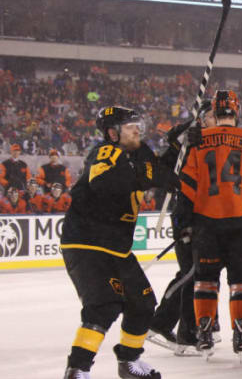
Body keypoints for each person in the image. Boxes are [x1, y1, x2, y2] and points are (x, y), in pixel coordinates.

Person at [60, 105, 180, 379]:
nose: (137, 130)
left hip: (116, 246)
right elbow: (103, 182)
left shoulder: (139, 153)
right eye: (130, 126)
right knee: (104, 306)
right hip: (87, 242)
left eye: (138, 125)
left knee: (143, 303)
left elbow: (159, 168)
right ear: (113, 133)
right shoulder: (107, 151)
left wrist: (177, 144)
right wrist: (147, 176)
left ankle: (128, 361)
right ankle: (77, 369)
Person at [179, 90, 242, 359]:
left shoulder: (199, 140)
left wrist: (182, 221)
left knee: (206, 281)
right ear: (237, 111)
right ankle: (241, 334)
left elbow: (187, 186)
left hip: (206, 223)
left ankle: (204, 332)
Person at [147, 100, 212, 357]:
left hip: (206, 217)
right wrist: (177, 144)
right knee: (190, 274)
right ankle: (168, 325)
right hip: (187, 216)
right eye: (211, 116)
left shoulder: (214, 140)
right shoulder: (189, 138)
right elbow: (162, 170)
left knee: (194, 273)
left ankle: (179, 328)